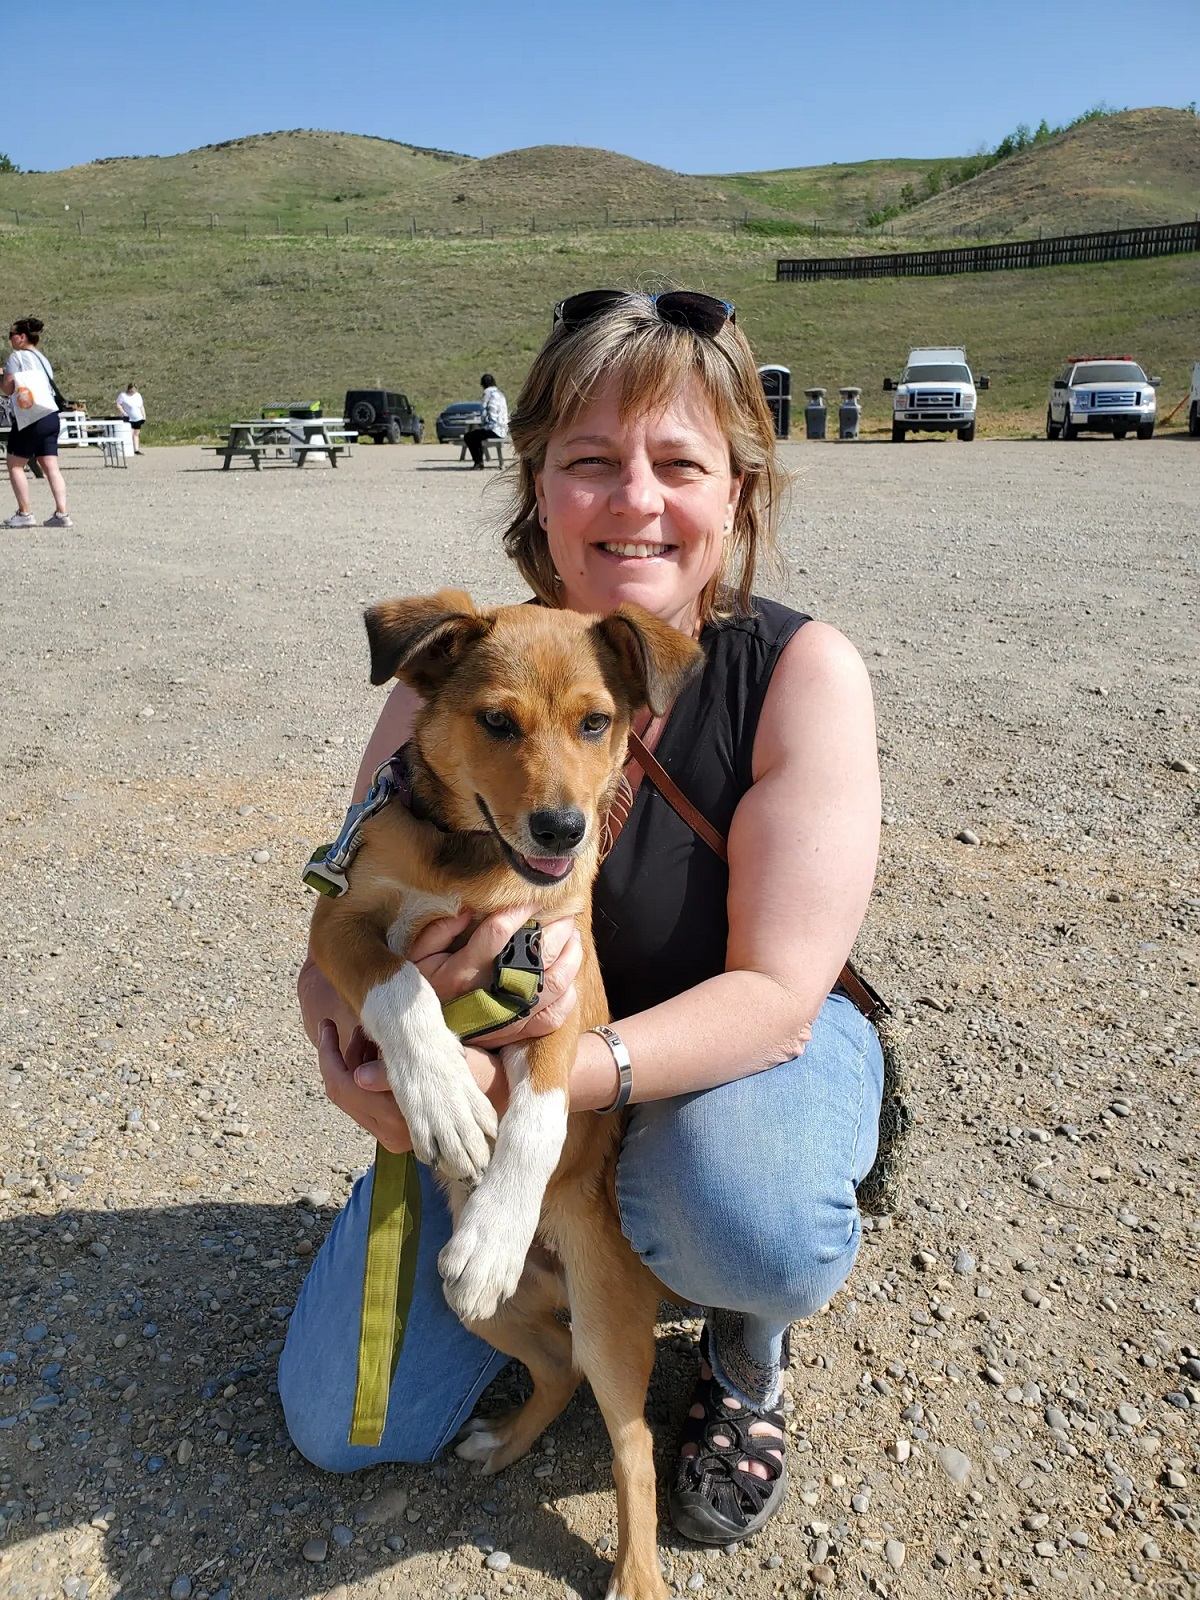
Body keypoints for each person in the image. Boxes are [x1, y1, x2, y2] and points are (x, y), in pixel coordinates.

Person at [281, 288, 883, 1545]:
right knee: (342, 1423)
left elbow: (779, 991)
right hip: (511, 1090)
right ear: (539, 483)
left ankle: (739, 1341)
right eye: (592, 463)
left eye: (678, 463)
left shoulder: (796, 671)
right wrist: (369, 1051)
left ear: (740, 491)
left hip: (734, 1065)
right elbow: (341, 924)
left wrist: (554, 1092)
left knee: (744, 1203)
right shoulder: (454, 674)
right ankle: (596, 1286)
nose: (635, 500)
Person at [2, 317, 72, 529]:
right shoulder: (42, 359)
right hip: (50, 414)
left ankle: (25, 512)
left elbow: (7, 389)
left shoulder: (16, 357)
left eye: (11, 336)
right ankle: (62, 513)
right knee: (51, 465)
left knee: (14, 464)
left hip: (30, 416)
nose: (10, 340)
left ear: (21, 337)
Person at [463, 371, 508, 469]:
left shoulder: (487, 393)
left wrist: (480, 421)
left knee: (469, 436)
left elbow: (483, 411)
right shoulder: (500, 394)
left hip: (494, 429)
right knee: (477, 435)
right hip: (504, 429)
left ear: (482, 384)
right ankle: (480, 461)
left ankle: (478, 462)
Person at [115, 382, 146, 453]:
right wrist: (123, 412)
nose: (133, 392)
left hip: (138, 417)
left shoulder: (138, 395)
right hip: (128, 417)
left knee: (136, 434)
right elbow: (118, 404)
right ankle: (128, 449)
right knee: (129, 433)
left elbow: (141, 406)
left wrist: (144, 416)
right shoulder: (123, 395)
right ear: (129, 389)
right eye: (131, 390)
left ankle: (136, 449)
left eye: (134, 390)